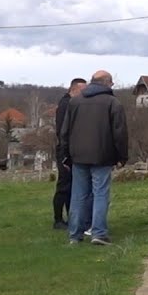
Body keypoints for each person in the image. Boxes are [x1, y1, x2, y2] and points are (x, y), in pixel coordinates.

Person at [58, 71, 128, 245]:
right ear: (106, 83)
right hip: (103, 155)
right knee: (100, 194)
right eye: (111, 83)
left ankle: (75, 234)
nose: (112, 86)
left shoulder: (75, 102)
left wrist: (66, 155)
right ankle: (98, 233)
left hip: (78, 155)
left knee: (78, 195)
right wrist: (122, 156)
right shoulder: (113, 103)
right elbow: (119, 133)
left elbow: (65, 131)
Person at [52, 77, 86, 229]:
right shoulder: (66, 104)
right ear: (74, 89)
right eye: (82, 90)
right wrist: (66, 152)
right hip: (65, 150)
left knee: (70, 185)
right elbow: (63, 131)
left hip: (69, 149)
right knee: (64, 184)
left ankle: (69, 216)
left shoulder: (69, 103)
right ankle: (58, 219)